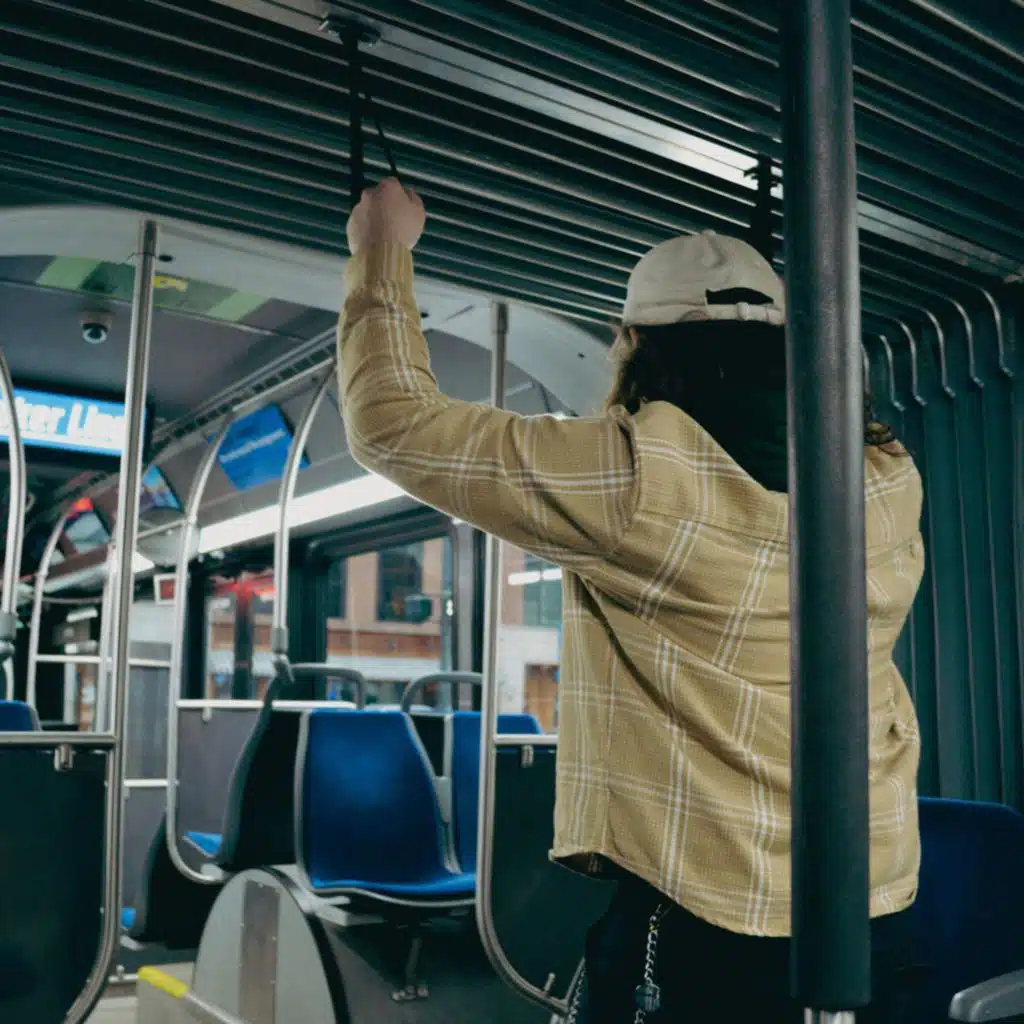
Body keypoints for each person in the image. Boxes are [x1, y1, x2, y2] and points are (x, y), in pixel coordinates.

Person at [339, 178, 925, 1022]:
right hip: (869, 903)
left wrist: (381, 249)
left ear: (635, 343)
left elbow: (392, 424)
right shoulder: (887, 478)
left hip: (705, 916)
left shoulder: (634, 478)